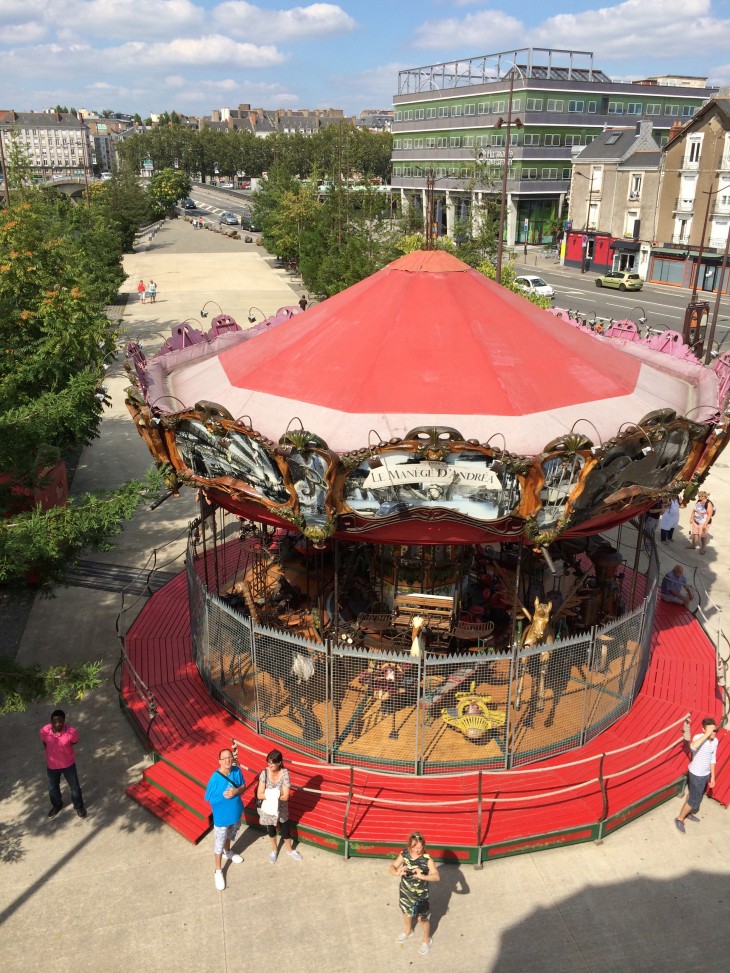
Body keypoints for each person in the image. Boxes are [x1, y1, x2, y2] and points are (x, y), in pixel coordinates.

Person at [388, 831, 440, 955]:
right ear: (409, 846)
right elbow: (392, 866)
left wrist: (423, 877)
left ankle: (427, 939)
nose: (417, 850)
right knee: (406, 913)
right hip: (405, 893)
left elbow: (437, 877)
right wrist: (397, 873)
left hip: (420, 896)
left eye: (419, 847)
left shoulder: (427, 859)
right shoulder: (404, 854)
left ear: (423, 846)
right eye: (414, 847)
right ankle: (408, 931)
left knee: (421, 919)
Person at [204, 748, 246, 890]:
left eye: (230, 757)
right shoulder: (215, 778)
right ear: (220, 761)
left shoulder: (237, 771)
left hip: (236, 814)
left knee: (230, 835)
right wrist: (224, 796)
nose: (228, 760)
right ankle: (218, 870)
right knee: (219, 843)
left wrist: (236, 791)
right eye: (224, 758)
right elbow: (208, 797)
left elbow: (243, 786)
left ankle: (228, 852)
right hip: (221, 818)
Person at [257, 749, 302, 863]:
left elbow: (286, 797)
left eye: (272, 763)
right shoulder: (264, 773)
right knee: (271, 830)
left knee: (285, 830)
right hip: (269, 808)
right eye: (268, 762)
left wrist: (269, 793)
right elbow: (259, 795)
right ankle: (274, 850)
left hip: (281, 808)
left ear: (279, 762)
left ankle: (290, 850)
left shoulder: (285, 773)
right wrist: (278, 793)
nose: (269, 765)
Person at [675, 716, 718, 833]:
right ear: (703, 730)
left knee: (693, 795)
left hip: (705, 774)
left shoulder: (715, 741)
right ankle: (679, 819)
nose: (713, 733)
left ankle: (688, 813)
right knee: (694, 800)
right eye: (709, 730)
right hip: (696, 774)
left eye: (714, 730)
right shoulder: (699, 737)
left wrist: (712, 776)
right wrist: (706, 735)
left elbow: (713, 759)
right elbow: (692, 747)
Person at [40, 709, 86, 818]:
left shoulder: (71, 732)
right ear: (51, 721)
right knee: (52, 788)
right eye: (55, 721)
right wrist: (51, 753)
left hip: (68, 764)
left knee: (74, 787)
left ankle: (79, 806)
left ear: (64, 721)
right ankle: (57, 805)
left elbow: (75, 741)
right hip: (52, 766)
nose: (57, 724)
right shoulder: (44, 730)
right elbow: (44, 742)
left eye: (60, 721)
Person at [687, 490, 714, 554]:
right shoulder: (698, 502)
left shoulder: (708, 504)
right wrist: (691, 518)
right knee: (695, 534)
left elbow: (709, 515)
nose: (699, 497)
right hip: (696, 521)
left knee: (703, 536)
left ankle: (703, 548)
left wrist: (705, 524)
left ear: (705, 496)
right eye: (699, 496)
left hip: (703, 522)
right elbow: (694, 510)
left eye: (701, 496)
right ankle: (693, 545)